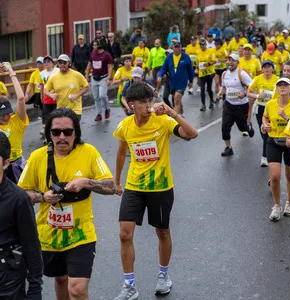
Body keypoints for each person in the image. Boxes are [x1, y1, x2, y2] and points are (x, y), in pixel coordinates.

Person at [18, 108, 116, 300]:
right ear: (49, 134)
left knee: (77, 290)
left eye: (68, 132)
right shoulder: (38, 157)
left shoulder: (88, 152)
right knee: (61, 280)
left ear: (76, 132)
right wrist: (43, 197)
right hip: (49, 234)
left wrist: (86, 182)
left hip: (81, 234)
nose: (62, 137)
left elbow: (111, 186)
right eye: (56, 132)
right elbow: (21, 194)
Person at [113, 82, 198, 300]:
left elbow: (192, 134)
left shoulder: (163, 120)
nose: (148, 106)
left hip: (160, 187)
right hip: (134, 186)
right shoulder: (125, 126)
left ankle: (163, 276)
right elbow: (122, 153)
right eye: (143, 102)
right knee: (124, 234)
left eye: (150, 101)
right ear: (131, 105)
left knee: (162, 232)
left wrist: (171, 111)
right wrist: (116, 181)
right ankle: (129, 285)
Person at [0, 132, 43, 300]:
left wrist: (34, 289)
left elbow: (32, 246)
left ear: (6, 163)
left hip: (8, 280)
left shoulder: (18, 199)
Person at [262, 77, 290, 221]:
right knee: (275, 176)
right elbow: (265, 118)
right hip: (274, 141)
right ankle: (276, 206)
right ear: (277, 89)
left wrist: (285, 118)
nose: (282, 87)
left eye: (286, 85)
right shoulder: (271, 104)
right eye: (280, 85)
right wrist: (265, 125)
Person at [216, 54, 254, 156]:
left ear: (237, 63)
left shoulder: (242, 74)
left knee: (242, 127)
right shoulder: (224, 74)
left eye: (233, 61)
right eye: (229, 60)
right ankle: (228, 147)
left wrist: (245, 93)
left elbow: (252, 86)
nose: (230, 62)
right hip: (228, 104)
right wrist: (220, 94)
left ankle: (248, 127)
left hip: (241, 105)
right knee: (225, 126)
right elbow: (224, 87)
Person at [0, 62, 29, 183]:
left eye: (7, 113)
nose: (6, 117)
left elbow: (21, 98)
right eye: (1, 115)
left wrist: (11, 71)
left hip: (17, 165)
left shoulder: (16, 121)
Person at [248, 60, 279, 167]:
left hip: (272, 110)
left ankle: (264, 157)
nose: (267, 69)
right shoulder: (257, 79)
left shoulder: (277, 80)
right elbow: (249, 92)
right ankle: (270, 146)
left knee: (266, 132)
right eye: (264, 67)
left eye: (269, 67)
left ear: (273, 69)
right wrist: (257, 96)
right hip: (260, 109)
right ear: (262, 69)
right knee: (263, 133)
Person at [44, 54, 89, 121]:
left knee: (72, 129)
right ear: (58, 64)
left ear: (69, 63)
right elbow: (45, 90)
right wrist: (51, 95)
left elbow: (86, 87)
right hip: (61, 110)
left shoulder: (77, 75)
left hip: (75, 110)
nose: (62, 64)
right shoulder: (54, 77)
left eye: (64, 62)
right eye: (60, 63)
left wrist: (77, 96)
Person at [158, 42, 193, 115]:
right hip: (172, 83)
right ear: (173, 48)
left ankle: (174, 119)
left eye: (178, 47)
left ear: (181, 48)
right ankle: (180, 110)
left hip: (182, 82)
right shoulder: (169, 57)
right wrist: (160, 76)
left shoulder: (185, 57)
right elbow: (164, 68)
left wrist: (191, 81)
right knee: (176, 99)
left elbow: (190, 70)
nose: (177, 49)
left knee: (176, 99)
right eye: (175, 47)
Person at [86, 40, 112, 121]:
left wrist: (109, 78)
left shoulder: (106, 55)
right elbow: (89, 65)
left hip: (103, 78)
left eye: (94, 45)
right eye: (93, 45)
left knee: (102, 95)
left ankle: (107, 109)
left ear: (99, 46)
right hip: (94, 78)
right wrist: (87, 76)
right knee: (96, 97)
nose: (93, 47)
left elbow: (110, 67)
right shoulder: (92, 54)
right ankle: (99, 114)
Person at [40, 55, 60, 138]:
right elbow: (42, 86)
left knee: (56, 115)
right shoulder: (42, 73)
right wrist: (41, 95)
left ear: (53, 63)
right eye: (45, 62)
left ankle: (56, 130)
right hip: (47, 97)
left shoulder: (57, 71)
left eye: (48, 61)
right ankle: (48, 133)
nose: (46, 63)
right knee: (47, 115)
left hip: (56, 97)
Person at [196, 39, 216, 111]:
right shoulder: (198, 52)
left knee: (209, 89)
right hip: (202, 73)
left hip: (210, 73)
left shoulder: (210, 51)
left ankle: (211, 101)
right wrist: (197, 68)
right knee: (202, 89)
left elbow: (214, 61)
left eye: (203, 45)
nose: (202, 46)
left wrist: (208, 64)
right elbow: (197, 62)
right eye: (201, 45)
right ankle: (203, 105)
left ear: (205, 45)